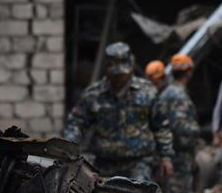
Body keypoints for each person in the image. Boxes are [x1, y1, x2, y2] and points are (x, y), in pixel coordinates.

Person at [63, 42, 174, 181]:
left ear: (131, 67)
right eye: (115, 73)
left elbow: (161, 126)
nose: (119, 77)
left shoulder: (147, 92)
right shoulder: (94, 94)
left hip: (138, 163)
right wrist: (69, 149)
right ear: (107, 69)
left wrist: (166, 157)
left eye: (122, 73)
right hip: (104, 164)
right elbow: (76, 123)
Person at [154, 53, 199, 193]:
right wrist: (197, 131)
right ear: (188, 72)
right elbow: (179, 126)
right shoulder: (178, 94)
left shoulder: (166, 92)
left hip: (169, 151)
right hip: (179, 154)